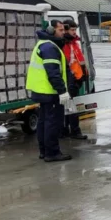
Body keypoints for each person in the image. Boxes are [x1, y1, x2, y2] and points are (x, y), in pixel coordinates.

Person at [26, 19, 73, 162]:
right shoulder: (50, 47)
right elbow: (53, 73)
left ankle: (44, 151)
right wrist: (62, 91)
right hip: (49, 92)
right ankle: (52, 153)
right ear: (52, 30)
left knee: (43, 122)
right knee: (52, 123)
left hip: (41, 91)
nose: (63, 32)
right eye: (60, 30)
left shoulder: (43, 44)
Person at [61, 19, 88, 140]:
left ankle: (67, 130)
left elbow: (80, 60)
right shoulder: (64, 44)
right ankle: (74, 131)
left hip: (76, 78)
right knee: (71, 107)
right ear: (66, 29)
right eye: (72, 30)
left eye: (75, 29)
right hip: (69, 80)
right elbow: (66, 64)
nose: (74, 32)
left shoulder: (73, 43)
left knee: (70, 107)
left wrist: (84, 74)